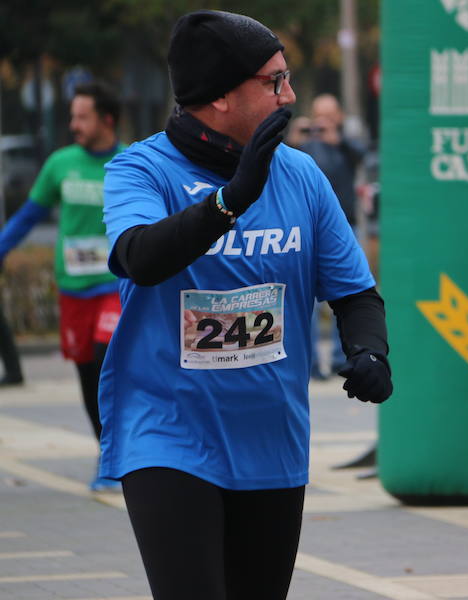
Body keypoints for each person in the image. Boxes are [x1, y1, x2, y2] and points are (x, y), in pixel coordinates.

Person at [98, 10, 392, 600]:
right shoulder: (141, 169)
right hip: (166, 432)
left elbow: (355, 293)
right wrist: (230, 201)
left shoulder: (302, 176)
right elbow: (140, 257)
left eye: (287, 77)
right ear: (222, 98)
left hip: (270, 436)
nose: (291, 94)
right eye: (273, 81)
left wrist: (370, 353)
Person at [0, 81, 124, 489]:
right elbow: (27, 217)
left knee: (108, 358)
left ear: (107, 119)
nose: (74, 124)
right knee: (88, 374)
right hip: (73, 288)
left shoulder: (131, 162)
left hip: (115, 285)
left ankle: (125, 449)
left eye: (82, 116)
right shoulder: (60, 164)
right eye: (72, 116)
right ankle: (106, 452)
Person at [300, 94, 368, 377]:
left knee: (347, 291)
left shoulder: (346, 145)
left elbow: (362, 155)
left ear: (339, 116)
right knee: (307, 301)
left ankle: (343, 359)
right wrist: (297, 136)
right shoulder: (302, 148)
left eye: (329, 116)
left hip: (344, 226)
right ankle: (314, 363)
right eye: (319, 116)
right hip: (306, 226)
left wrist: (336, 138)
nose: (323, 122)